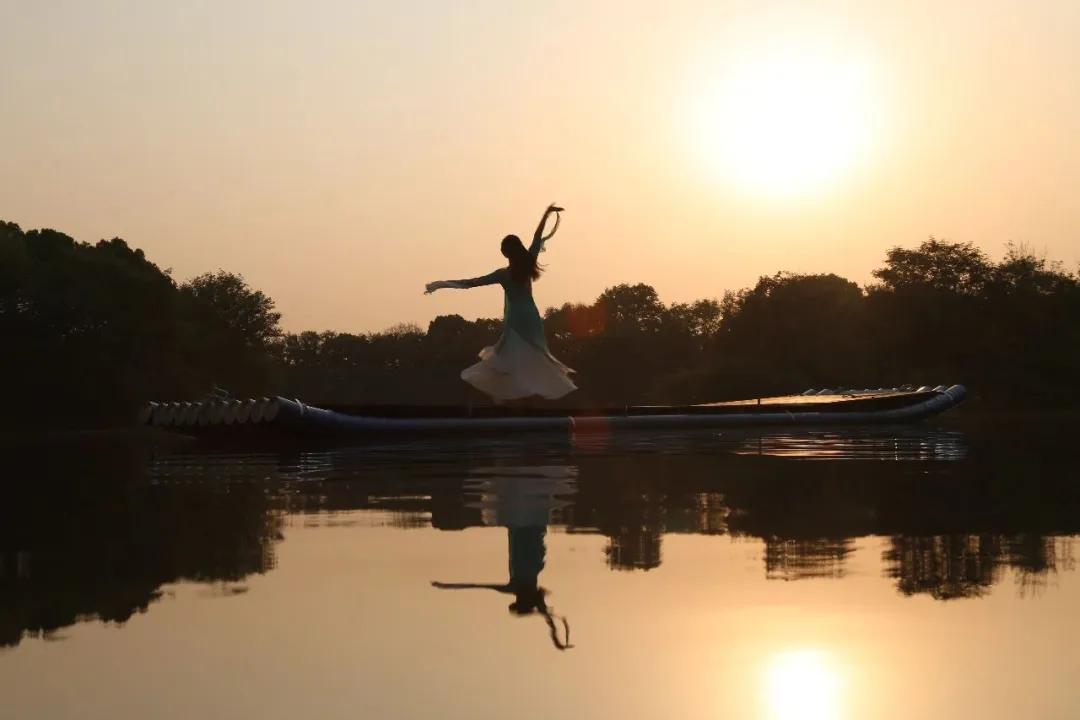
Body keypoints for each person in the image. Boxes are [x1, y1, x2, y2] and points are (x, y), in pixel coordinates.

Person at [425, 204, 577, 401]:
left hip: (516, 319)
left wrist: (442, 284)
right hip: (531, 315)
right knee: (535, 355)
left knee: (505, 357)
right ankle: (527, 393)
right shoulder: (528, 261)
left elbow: (472, 283)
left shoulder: (503, 274)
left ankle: (508, 395)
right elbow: (537, 237)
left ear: (506, 253)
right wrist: (546, 214)